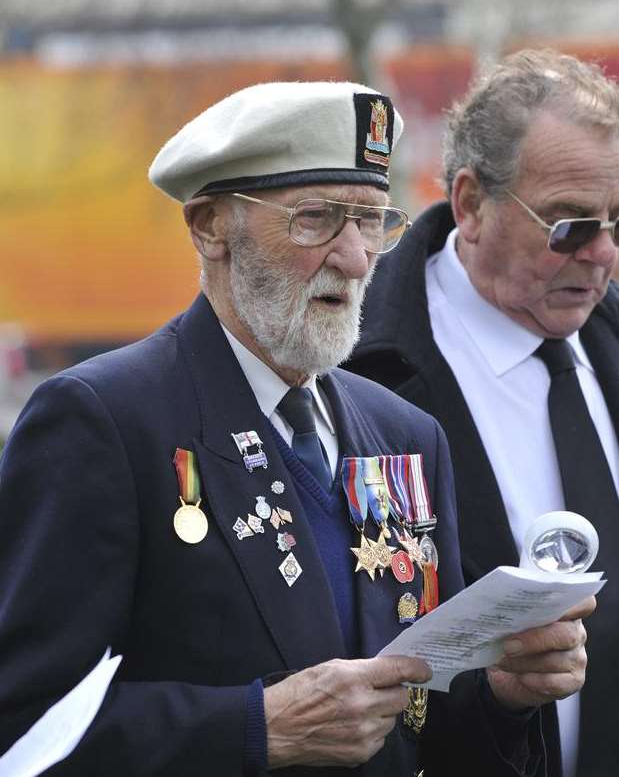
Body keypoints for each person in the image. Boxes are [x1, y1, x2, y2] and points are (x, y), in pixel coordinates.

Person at [0, 80, 592, 777]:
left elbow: (417, 723)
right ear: (210, 226)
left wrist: (500, 695)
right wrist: (253, 728)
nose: (352, 257)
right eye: (316, 218)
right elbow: (24, 722)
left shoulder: (404, 432)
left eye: (371, 222)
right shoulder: (104, 418)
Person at [346, 49, 619, 777]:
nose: (602, 255)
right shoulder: (359, 371)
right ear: (468, 204)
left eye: (618, 222)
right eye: (569, 226)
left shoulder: (609, 337)